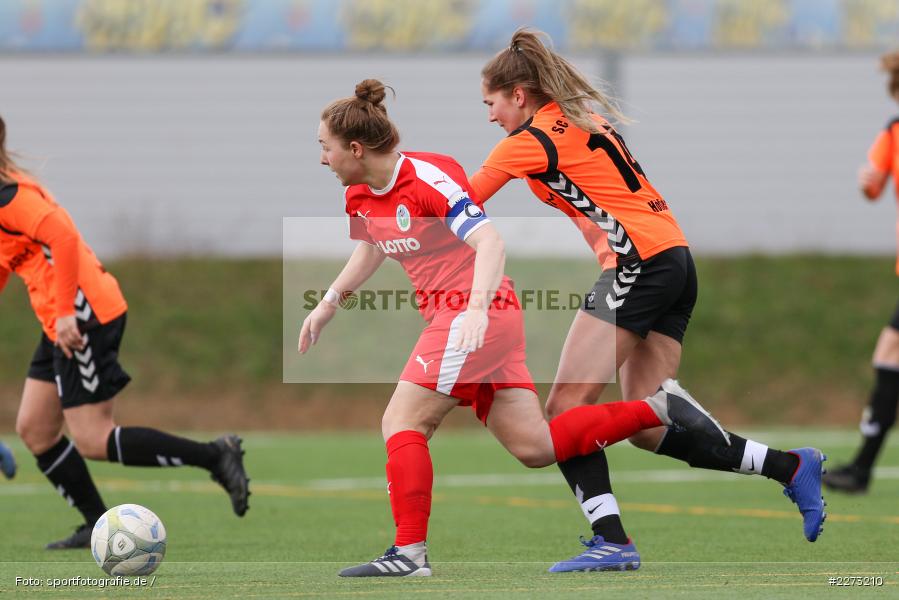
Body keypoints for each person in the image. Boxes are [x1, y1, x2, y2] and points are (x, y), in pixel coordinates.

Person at [302, 79, 730, 577]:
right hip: (463, 318)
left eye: (324, 148)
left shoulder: (429, 177)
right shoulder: (358, 193)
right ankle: (660, 407)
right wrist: (329, 303)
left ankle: (408, 554)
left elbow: (489, 243)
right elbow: (373, 244)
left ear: (355, 148)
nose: (321, 159)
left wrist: (476, 311)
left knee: (402, 421)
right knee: (537, 446)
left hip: (470, 314)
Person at [468, 29, 827, 571]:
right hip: (675, 259)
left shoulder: (528, 141)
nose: (489, 116)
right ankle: (790, 466)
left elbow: (462, 204)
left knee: (565, 408)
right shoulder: (584, 116)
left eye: (490, 103)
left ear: (518, 94)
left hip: (637, 264)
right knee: (650, 429)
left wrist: (398, 196)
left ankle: (612, 540)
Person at [0, 115, 250, 549]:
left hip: (81, 314)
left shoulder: (8, 196)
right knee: (35, 429)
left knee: (94, 437)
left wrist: (64, 314)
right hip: (59, 317)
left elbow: (62, 236)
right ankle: (97, 524)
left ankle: (215, 455)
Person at [824, 51, 899, 494]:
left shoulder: (892, 132)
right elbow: (873, 184)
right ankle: (862, 469)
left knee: (890, 355)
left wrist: (866, 179)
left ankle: (862, 470)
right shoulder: (892, 132)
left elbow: (870, 184)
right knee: (890, 354)